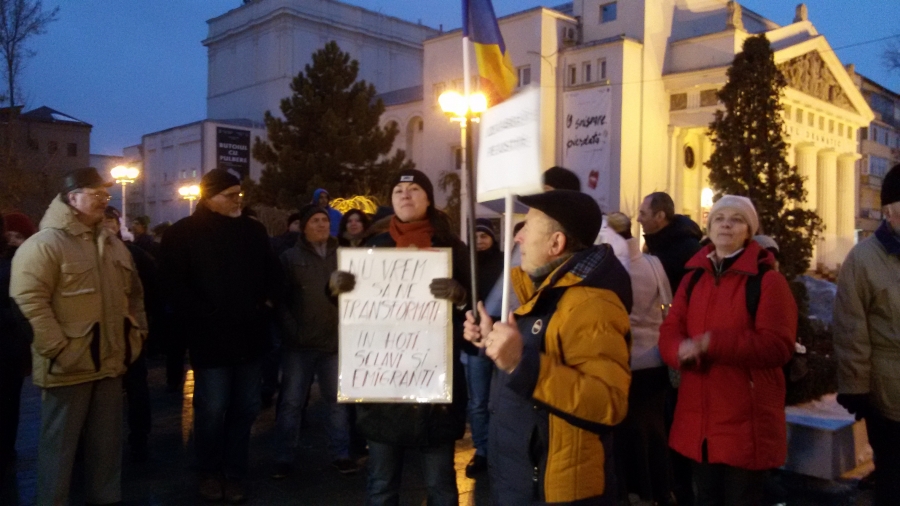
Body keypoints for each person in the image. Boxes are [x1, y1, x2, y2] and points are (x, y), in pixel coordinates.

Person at [463, 189, 633, 505]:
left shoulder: (592, 304)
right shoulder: (542, 294)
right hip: (521, 482)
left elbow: (608, 403)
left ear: (556, 244)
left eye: (527, 228)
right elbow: (533, 359)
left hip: (557, 492)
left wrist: (519, 363)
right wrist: (491, 340)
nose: (518, 239)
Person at [330, 169, 470, 506]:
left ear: (428, 198)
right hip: (384, 387)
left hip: (435, 389)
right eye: (398, 190)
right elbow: (356, 309)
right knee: (381, 484)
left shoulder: (452, 247)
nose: (405, 195)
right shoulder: (374, 246)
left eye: (414, 189)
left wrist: (461, 296)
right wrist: (336, 289)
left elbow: (477, 313)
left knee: (440, 485)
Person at [10, 167, 147, 505]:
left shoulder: (114, 245)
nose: (104, 199)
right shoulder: (45, 244)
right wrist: (60, 350)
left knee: (107, 447)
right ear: (72, 198)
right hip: (68, 368)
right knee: (59, 451)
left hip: (111, 363)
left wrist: (136, 338)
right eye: (96, 193)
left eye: (106, 194)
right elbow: (27, 302)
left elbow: (135, 297)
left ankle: (106, 499)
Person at [658, 195, 797, 506]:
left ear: (748, 231)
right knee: (704, 498)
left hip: (745, 426)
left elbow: (778, 346)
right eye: (719, 218)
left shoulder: (768, 282)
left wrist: (712, 344)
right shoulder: (693, 278)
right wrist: (677, 351)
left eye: (736, 219)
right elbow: (670, 329)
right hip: (699, 422)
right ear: (709, 227)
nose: (726, 224)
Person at [159, 168, 280, 503]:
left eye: (239, 194)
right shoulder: (182, 234)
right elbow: (173, 284)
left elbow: (272, 271)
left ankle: (234, 471)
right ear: (208, 197)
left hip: (250, 338)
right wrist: (202, 314)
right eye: (230, 195)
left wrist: (266, 304)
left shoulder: (253, 231)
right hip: (210, 340)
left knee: (246, 408)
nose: (237, 200)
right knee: (212, 408)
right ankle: (209, 471)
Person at [272, 203, 358, 479]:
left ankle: (341, 454)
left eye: (324, 220)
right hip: (300, 345)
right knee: (292, 403)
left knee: (337, 402)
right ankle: (284, 456)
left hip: (334, 343)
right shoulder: (289, 258)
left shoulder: (345, 256)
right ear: (304, 226)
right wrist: (290, 330)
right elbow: (280, 300)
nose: (321, 225)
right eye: (315, 221)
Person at [833, 163, 900, 506]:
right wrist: (856, 387)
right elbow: (851, 328)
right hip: (889, 396)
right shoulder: (863, 260)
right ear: (889, 211)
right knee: (893, 478)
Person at [607, 211, 675, 505]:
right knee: (655, 428)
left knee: (628, 431)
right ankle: (661, 486)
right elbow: (668, 305)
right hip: (656, 359)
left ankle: (635, 489)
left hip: (625, 359)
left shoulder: (611, 267)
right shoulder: (653, 263)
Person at [102, 206, 156, 463]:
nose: (106, 226)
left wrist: (143, 327)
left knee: (136, 389)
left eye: (110, 221)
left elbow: (145, 291)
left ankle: (139, 438)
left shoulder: (133, 254)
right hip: (99, 335)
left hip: (129, 332)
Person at [461, 218, 504, 478]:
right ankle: (483, 450)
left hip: (499, 338)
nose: (480, 240)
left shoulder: (503, 263)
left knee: (497, 400)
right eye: (475, 236)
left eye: (484, 235)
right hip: (473, 344)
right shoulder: (465, 264)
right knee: (477, 401)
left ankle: (499, 448)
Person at [0, 212, 36, 474]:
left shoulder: (14, 263)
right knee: (9, 401)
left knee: (9, 400)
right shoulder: (13, 264)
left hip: (8, 345)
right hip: (10, 344)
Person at [637, 192, 702, 291]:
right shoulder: (657, 243)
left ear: (660, 216)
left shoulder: (686, 249)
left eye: (643, 214)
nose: (638, 219)